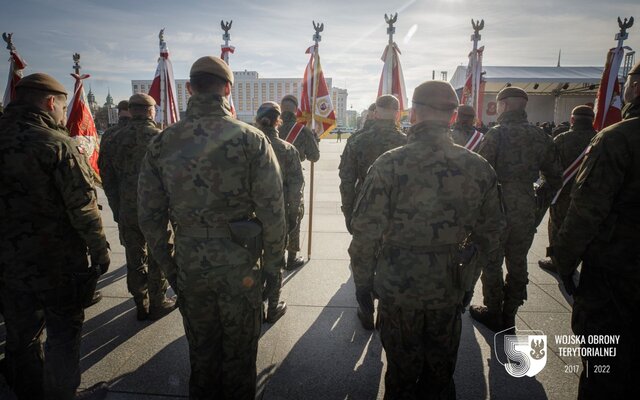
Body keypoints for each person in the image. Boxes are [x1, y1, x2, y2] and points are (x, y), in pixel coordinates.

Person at [137, 56, 286, 399]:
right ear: (227, 89)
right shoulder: (251, 139)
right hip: (241, 265)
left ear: (189, 88)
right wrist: (273, 269)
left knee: (202, 355)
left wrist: (170, 266)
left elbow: (150, 215)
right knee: (240, 356)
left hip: (190, 263)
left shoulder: (162, 142)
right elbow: (273, 212)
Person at [349, 81, 505, 399]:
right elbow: (491, 235)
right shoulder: (477, 167)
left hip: (397, 286)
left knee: (401, 377)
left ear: (414, 113)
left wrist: (364, 286)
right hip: (449, 284)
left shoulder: (388, 164)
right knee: (440, 375)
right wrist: (467, 282)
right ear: (451, 116)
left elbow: (365, 234)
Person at [0, 73, 110, 399]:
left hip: (7, 264)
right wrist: (99, 249)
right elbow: (83, 206)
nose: (64, 115)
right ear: (51, 103)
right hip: (55, 262)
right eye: (63, 108)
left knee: (21, 333)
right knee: (63, 332)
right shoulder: (54, 144)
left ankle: (29, 391)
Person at [551, 61, 640, 400]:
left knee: (605, 363)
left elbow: (588, 209)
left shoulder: (619, 137)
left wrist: (564, 259)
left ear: (636, 87)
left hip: (618, 271)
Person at [469, 87, 562, 333]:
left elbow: (479, 174)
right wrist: (537, 203)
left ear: (504, 105)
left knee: (492, 261)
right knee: (518, 261)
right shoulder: (541, 136)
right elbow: (554, 177)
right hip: (525, 203)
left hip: (496, 205)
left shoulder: (496, 134)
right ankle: (510, 314)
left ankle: (493, 310)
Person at [340, 94, 407, 330]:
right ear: (397, 113)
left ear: (376, 113)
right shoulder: (406, 142)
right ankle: (386, 308)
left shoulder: (357, 140)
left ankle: (365, 307)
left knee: (362, 259)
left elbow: (346, 180)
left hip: (365, 207)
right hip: (397, 212)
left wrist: (348, 211)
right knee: (391, 259)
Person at [107, 93, 175, 321]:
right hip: (156, 210)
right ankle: (158, 300)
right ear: (150, 111)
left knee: (134, 257)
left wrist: (116, 208)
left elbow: (107, 178)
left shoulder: (112, 137)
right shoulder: (161, 138)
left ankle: (140, 302)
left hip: (127, 209)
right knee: (158, 255)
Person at [254, 101, 304, 323]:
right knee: (275, 262)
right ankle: (272, 307)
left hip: (248, 217)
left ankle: (254, 303)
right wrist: (294, 216)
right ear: (278, 121)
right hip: (278, 215)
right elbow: (296, 189)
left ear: (257, 119)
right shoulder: (287, 149)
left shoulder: (245, 145)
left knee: (252, 261)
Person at [538, 105, 596, 272]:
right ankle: (575, 261)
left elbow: (548, 165)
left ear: (572, 119)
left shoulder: (562, 139)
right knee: (581, 228)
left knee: (557, 225)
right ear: (591, 120)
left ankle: (557, 261)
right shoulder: (600, 138)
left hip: (562, 192)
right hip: (590, 193)